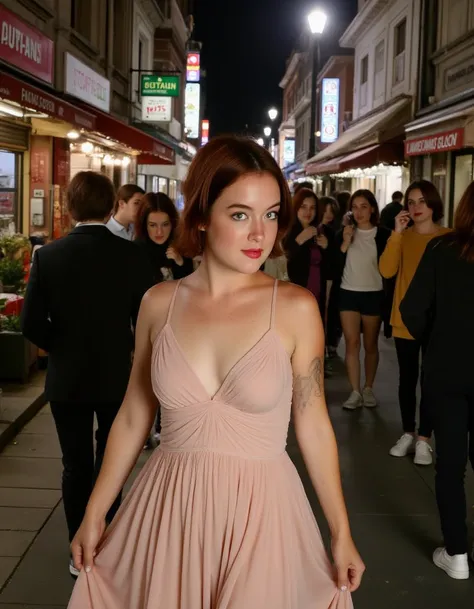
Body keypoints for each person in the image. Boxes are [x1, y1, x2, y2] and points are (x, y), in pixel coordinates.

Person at [67, 136, 364, 609]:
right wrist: (95, 511)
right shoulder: (158, 303)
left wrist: (341, 531)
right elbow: (133, 415)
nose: (259, 234)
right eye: (240, 214)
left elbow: (313, 425)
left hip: (262, 515)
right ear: (202, 215)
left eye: (270, 214)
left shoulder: (294, 308)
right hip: (169, 510)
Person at [20, 172, 154, 578]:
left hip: (67, 379)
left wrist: (60, 346)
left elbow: (29, 323)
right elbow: (148, 319)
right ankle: (105, 538)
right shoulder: (133, 257)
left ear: (69, 208)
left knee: (74, 464)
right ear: (113, 206)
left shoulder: (48, 256)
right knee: (110, 461)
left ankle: (77, 548)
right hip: (117, 377)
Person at [400, 182, 474, 580]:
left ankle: (457, 554)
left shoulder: (442, 250)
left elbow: (411, 309)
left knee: (450, 465)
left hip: (447, 369)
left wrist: (437, 338)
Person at [379, 180, 450, 465]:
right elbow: (386, 270)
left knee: (431, 380)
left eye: (422, 201)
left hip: (439, 321)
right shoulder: (402, 237)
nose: (416, 207)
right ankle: (408, 432)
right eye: (411, 202)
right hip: (405, 319)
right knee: (407, 379)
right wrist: (396, 234)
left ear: (433, 203)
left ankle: (424, 438)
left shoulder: (449, 238)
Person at [334, 190, 390, 409]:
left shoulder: (384, 234)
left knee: (370, 344)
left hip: (374, 294)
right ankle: (355, 391)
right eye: (355, 207)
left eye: (363, 206)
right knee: (351, 343)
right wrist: (345, 242)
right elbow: (336, 265)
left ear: (373, 208)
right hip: (348, 292)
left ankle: (368, 388)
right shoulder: (344, 233)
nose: (359, 212)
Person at [284, 188, 335, 315]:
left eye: (312, 208)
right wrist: (299, 241)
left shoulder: (322, 231)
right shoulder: (286, 230)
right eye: (303, 207)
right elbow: (282, 260)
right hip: (294, 292)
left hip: (317, 289)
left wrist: (327, 248)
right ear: (296, 207)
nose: (308, 212)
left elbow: (331, 267)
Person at [134, 192, 193, 284]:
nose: (159, 232)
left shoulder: (181, 246)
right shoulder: (136, 252)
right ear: (144, 225)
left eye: (165, 225)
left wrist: (180, 263)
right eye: (153, 225)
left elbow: (191, 286)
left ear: (172, 224)